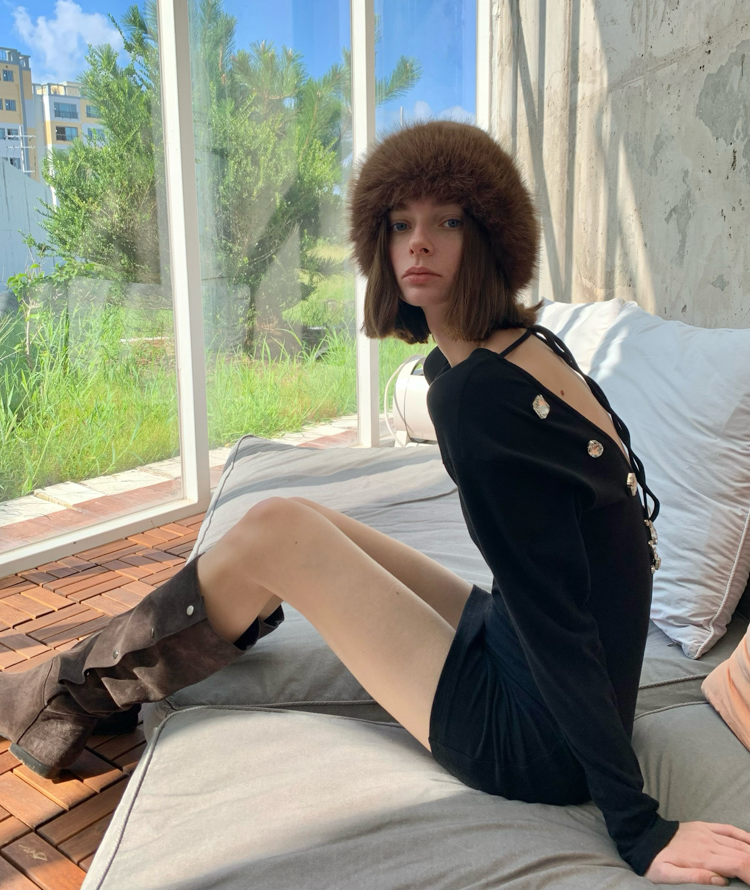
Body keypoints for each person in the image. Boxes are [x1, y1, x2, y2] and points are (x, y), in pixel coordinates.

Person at [0, 120, 748, 886]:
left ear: (489, 238)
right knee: (299, 521)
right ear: (378, 244)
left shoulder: (477, 397)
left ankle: (64, 698)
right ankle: (92, 686)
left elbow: (556, 615)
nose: (419, 243)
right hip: (520, 650)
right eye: (400, 224)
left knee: (277, 535)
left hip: (530, 737)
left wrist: (637, 825)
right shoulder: (526, 347)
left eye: (448, 222)